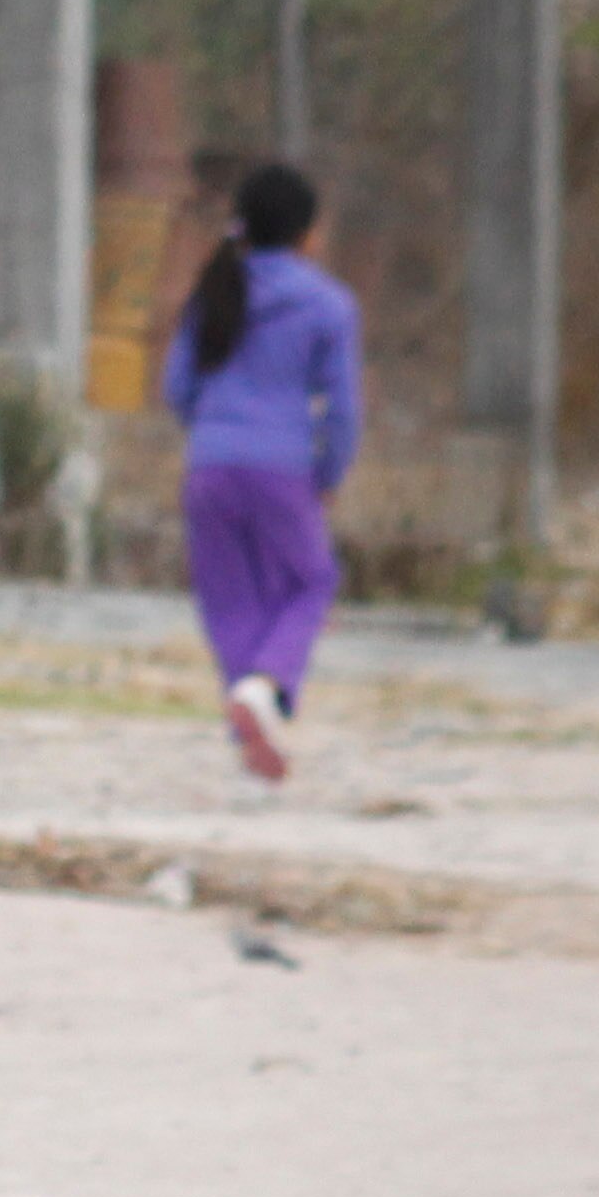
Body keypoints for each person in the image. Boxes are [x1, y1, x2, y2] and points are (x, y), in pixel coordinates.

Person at [164, 163, 361, 786]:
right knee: (311, 582)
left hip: (210, 466)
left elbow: (177, 387)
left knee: (230, 601)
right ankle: (267, 688)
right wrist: (327, 473)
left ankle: (250, 725)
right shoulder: (328, 305)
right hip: (283, 467)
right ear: (307, 232)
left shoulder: (213, 290)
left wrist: (213, 430)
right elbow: (343, 410)